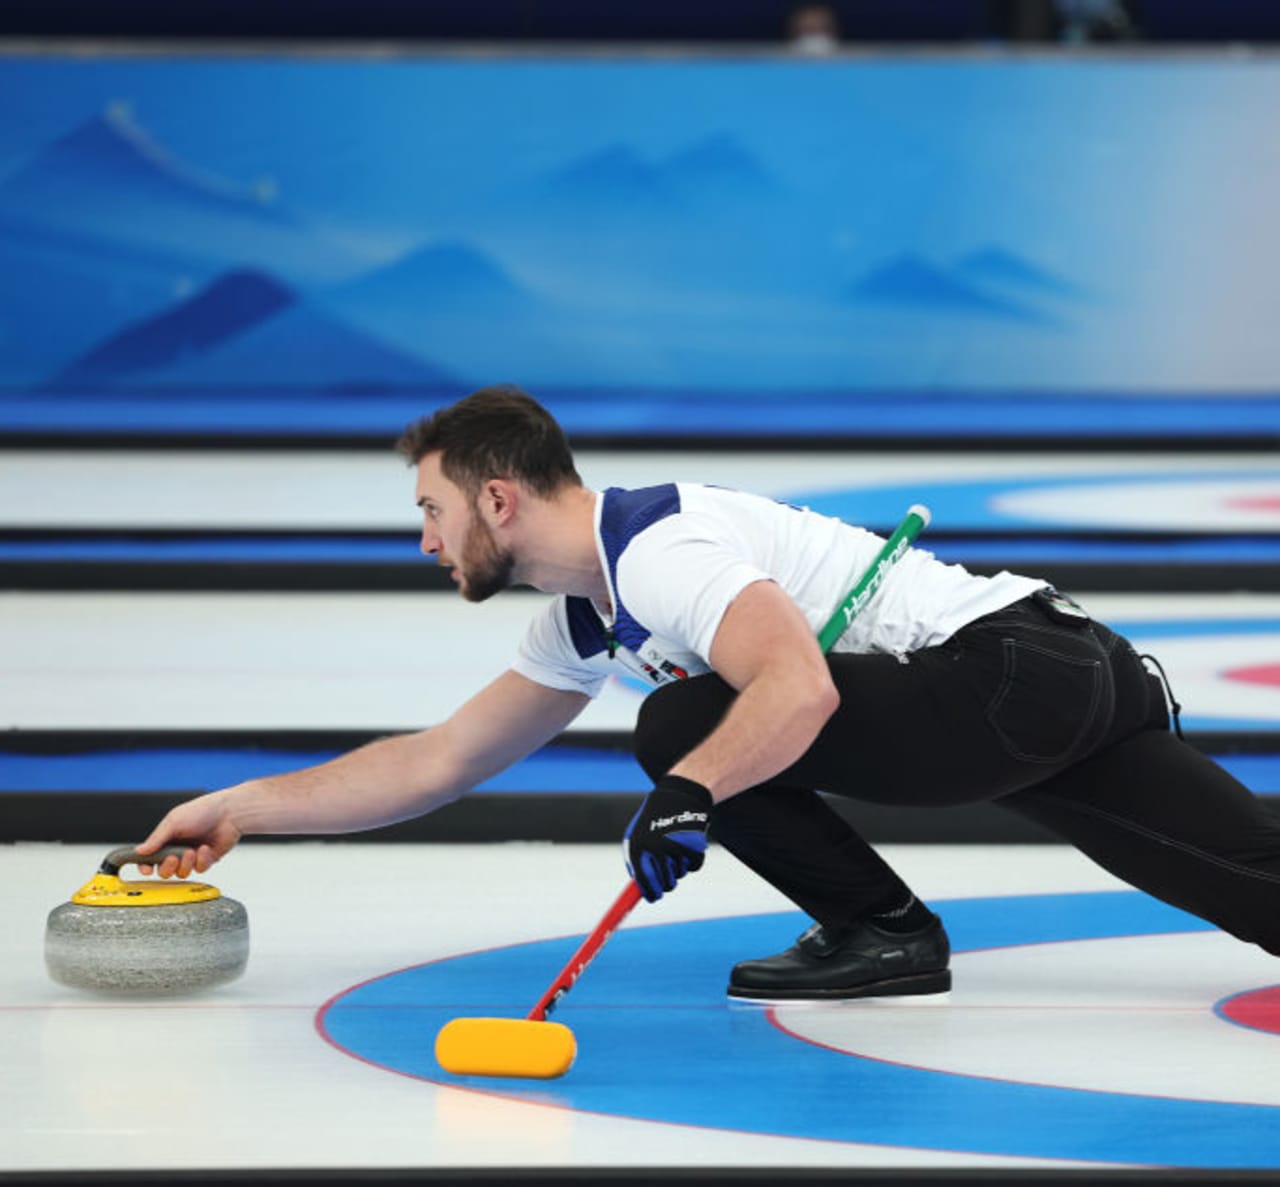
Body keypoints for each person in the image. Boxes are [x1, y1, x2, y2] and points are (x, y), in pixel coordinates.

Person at [138, 386, 1280, 1000]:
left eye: (429, 514)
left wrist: (687, 790)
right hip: (1057, 681)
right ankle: (883, 930)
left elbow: (794, 690)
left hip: (1006, 676)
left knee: (685, 720)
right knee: (1255, 886)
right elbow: (435, 762)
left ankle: (880, 930)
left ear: (494, 500)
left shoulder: (661, 545)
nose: (424, 542)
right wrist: (238, 806)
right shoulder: (583, 613)